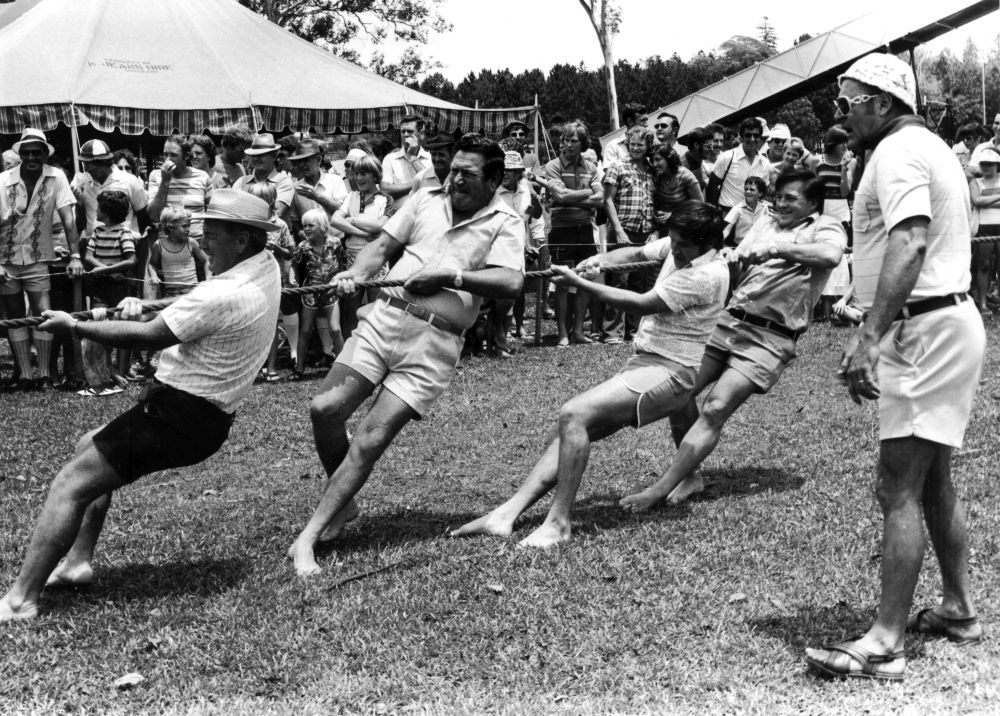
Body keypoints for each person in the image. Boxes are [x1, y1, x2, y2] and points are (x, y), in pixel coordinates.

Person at [0, 189, 281, 623]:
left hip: (178, 416)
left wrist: (75, 324)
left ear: (242, 240)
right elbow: (189, 308)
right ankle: (77, 563)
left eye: (212, 234)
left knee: (70, 485)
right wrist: (143, 306)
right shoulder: (266, 266)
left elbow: (149, 336)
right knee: (86, 446)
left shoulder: (226, 291)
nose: (203, 243)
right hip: (202, 417)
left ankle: (21, 600)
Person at [805, 53, 985, 682]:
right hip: (944, 322)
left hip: (924, 329)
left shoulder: (899, 153)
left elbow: (910, 240)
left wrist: (870, 334)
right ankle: (958, 610)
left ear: (881, 103)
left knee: (897, 485)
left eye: (846, 102)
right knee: (932, 480)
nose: (839, 114)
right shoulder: (924, 146)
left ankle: (884, 642)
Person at [287, 134, 524, 577]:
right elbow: (381, 248)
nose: (454, 180)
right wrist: (354, 273)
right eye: (452, 170)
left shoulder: (506, 220)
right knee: (324, 409)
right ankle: (344, 503)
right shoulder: (424, 198)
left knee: (371, 438)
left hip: (434, 344)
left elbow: (511, 281)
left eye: (467, 175)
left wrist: (452, 275)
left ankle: (310, 535)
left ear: (494, 179)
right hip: (384, 318)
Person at [452, 201, 729, 546]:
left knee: (574, 414)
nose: (674, 250)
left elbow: (641, 303)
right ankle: (506, 514)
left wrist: (578, 283)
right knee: (568, 434)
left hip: (671, 374)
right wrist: (598, 261)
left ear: (707, 244)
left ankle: (558, 524)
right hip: (648, 363)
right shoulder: (684, 245)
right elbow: (636, 253)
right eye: (672, 242)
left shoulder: (707, 274)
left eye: (682, 246)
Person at [620, 169, 846, 511]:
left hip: (770, 336)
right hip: (729, 320)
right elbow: (742, 259)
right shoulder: (765, 222)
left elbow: (830, 256)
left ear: (813, 203)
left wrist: (774, 249)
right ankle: (691, 476)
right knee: (680, 391)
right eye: (778, 196)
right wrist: (731, 257)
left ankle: (660, 489)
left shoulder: (824, 226)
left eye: (791, 198)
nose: (781, 204)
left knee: (715, 407)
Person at [0, 128, 83, 390]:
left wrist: (75, 256)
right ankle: (25, 374)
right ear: (20, 154)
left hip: (38, 256)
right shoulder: (3, 180)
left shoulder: (56, 177)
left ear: (46, 154)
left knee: (44, 312)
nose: (31, 157)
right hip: (6, 257)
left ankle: (45, 374)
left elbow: (69, 219)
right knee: (14, 313)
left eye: (37, 152)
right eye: (26, 152)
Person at [530, 122, 603, 346]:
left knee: (585, 278)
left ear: (583, 144)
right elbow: (559, 197)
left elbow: (600, 199)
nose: (568, 144)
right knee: (562, 282)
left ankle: (578, 332)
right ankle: (563, 333)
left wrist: (576, 195)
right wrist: (587, 192)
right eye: (565, 140)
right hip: (561, 229)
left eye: (573, 141)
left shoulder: (591, 166)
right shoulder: (552, 166)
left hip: (585, 230)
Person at [599, 125, 655, 344]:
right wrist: (619, 230)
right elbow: (607, 200)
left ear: (647, 146)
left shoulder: (651, 170)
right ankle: (613, 332)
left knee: (639, 284)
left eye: (640, 145)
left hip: (645, 231)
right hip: (624, 231)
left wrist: (653, 231)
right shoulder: (617, 167)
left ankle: (635, 330)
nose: (636, 148)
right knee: (619, 281)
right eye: (633, 144)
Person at [329, 153, 395, 338]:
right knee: (351, 308)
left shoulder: (386, 199)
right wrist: (364, 232)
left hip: (377, 259)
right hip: (352, 258)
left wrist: (353, 221)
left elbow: (380, 225)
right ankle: (350, 350)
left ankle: (376, 348)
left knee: (377, 308)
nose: (359, 178)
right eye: (356, 173)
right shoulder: (351, 196)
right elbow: (335, 220)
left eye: (364, 173)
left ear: (375, 175)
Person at [81, 189, 138, 391]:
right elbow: (88, 257)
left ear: (106, 211)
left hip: (119, 286)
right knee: (100, 326)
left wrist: (107, 270)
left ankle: (121, 372)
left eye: (98, 207)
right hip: (101, 284)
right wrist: (104, 270)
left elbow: (131, 260)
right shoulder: (97, 232)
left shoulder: (124, 233)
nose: (95, 210)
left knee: (122, 327)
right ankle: (108, 372)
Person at [290, 209, 347, 379]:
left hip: (330, 291)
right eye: (304, 225)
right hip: (311, 293)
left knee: (335, 330)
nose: (306, 229)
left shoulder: (335, 243)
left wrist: (341, 281)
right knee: (306, 331)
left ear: (322, 226)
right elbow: (294, 264)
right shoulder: (303, 247)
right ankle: (299, 369)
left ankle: (342, 366)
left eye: (310, 225)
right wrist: (293, 278)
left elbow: (342, 261)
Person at [71, 139, 150, 236]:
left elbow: (143, 216)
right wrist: (79, 204)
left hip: (124, 246)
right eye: (85, 164)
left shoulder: (130, 181)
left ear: (104, 162)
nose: (87, 169)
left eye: (90, 165)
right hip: (94, 247)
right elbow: (80, 222)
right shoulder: (83, 183)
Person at [147, 135, 213, 243]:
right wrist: (164, 182)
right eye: (165, 154)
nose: (167, 159)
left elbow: (212, 213)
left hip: (198, 247)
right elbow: (154, 216)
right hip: (168, 249)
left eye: (173, 155)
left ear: (186, 156)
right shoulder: (156, 176)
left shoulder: (202, 177)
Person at [706, 118, 771, 215]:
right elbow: (712, 186)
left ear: (760, 137)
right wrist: (714, 212)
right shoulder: (727, 157)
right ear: (741, 137)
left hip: (752, 217)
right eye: (748, 135)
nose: (752, 139)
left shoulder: (765, 163)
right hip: (727, 213)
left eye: (756, 135)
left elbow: (763, 192)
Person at [289, 137, 347, 233]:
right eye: (299, 161)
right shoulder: (296, 188)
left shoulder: (335, 181)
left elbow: (343, 211)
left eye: (306, 160)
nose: (302, 165)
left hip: (337, 242)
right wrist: (301, 233)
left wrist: (317, 197)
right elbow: (294, 219)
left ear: (319, 160)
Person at [233, 134, 295, 222]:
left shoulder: (283, 181)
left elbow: (278, 212)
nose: (256, 159)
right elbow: (232, 209)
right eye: (254, 155)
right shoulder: (242, 181)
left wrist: (244, 209)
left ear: (274, 156)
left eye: (262, 155)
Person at [970, 146, 1000, 313]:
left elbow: (981, 201)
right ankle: (982, 302)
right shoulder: (976, 182)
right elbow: (976, 201)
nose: (986, 167)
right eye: (983, 163)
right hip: (984, 226)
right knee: (984, 264)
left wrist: (985, 200)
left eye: (990, 163)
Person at [380, 114, 431, 210]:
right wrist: (416, 183)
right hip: (397, 217)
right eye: (403, 131)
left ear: (420, 133)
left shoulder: (430, 158)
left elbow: (431, 184)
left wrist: (413, 157)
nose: (405, 135)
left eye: (410, 131)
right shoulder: (390, 159)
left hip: (424, 214)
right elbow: (385, 189)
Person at [722, 176, 769, 246]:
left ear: (760, 193)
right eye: (746, 189)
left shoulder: (764, 208)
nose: (748, 192)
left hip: (757, 247)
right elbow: (727, 229)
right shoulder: (738, 208)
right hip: (738, 246)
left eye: (752, 190)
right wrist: (718, 243)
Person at [602, 103, 648, 168]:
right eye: (643, 120)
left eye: (646, 120)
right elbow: (609, 174)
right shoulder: (613, 146)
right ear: (630, 121)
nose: (646, 124)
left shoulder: (649, 144)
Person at [214, 124, 253, 188]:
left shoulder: (241, 168)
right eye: (241, 150)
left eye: (246, 150)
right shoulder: (212, 165)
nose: (245, 154)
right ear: (229, 146)